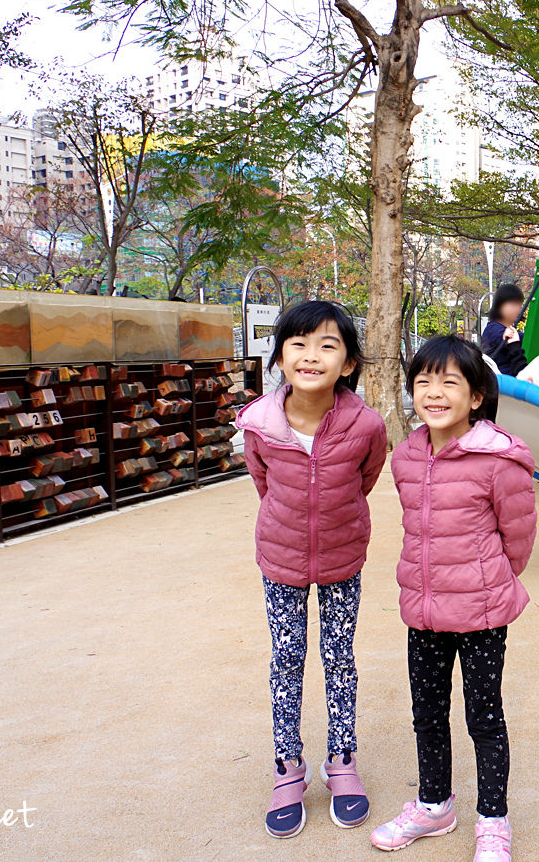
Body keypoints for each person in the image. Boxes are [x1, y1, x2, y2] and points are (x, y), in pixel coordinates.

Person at [373, 336, 537, 862]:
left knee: (484, 717)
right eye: (423, 382)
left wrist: (490, 581)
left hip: (482, 613)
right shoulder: (405, 456)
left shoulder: (498, 459)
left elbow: (519, 536)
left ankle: (492, 820)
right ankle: (434, 804)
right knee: (427, 713)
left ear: (475, 397)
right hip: (423, 610)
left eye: (449, 382)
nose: (434, 392)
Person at [235, 301, 388, 839]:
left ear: (348, 364)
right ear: (279, 357)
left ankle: (341, 761)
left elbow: (364, 478)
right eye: (298, 344)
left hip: (343, 558)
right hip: (281, 558)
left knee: (339, 657)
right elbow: (264, 482)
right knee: (287, 660)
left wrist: (330, 520)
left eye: (328, 345)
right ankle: (287, 768)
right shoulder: (260, 424)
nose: (311, 355)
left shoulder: (367, 425)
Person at [480, 283, 526, 376]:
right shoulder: (493, 329)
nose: (519, 309)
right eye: (513, 305)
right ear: (499, 306)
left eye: (520, 305)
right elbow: (512, 337)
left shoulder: (499, 328)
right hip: (501, 384)